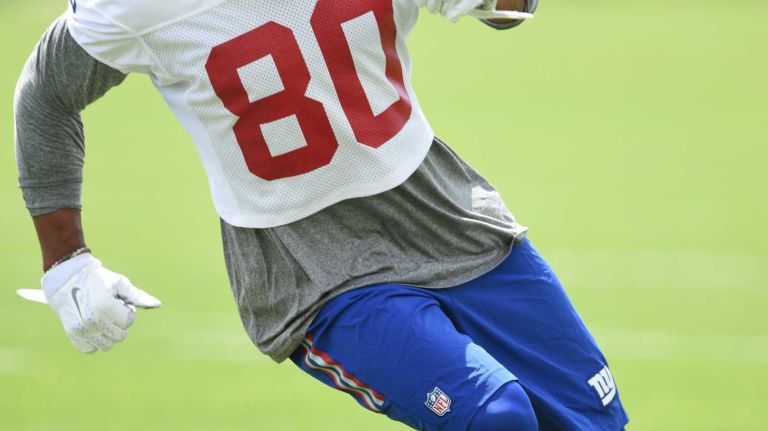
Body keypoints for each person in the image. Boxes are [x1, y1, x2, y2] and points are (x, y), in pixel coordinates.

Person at [14, 0, 629, 429]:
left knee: (587, 416)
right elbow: (46, 92)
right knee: (496, 417)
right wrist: (66, 260)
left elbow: (507, 9)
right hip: (310, 266)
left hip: (448, 217)